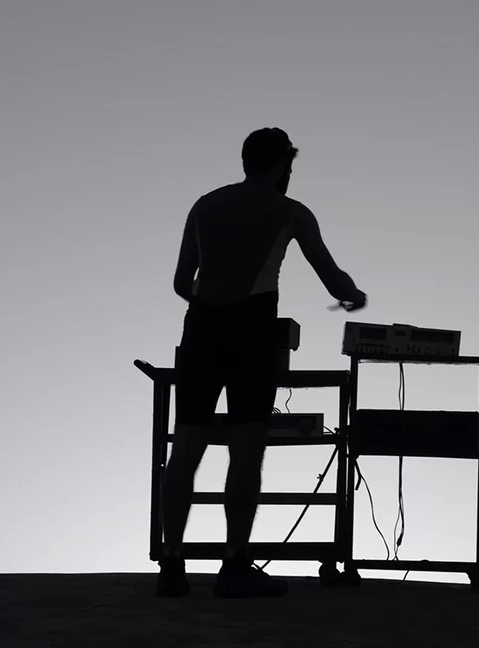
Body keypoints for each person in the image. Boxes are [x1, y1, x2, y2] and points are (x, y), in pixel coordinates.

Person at [156, 127, 368, 598]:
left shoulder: (205, 205)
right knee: (246, 451)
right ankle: (234, 565)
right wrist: (354, 295)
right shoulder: (290, 211)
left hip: (201, 328)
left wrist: (212, 304)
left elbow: (180, 282)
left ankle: (171, 563)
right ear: (283, 166)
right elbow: (331, 277)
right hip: (252, 332)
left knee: (185, 447)